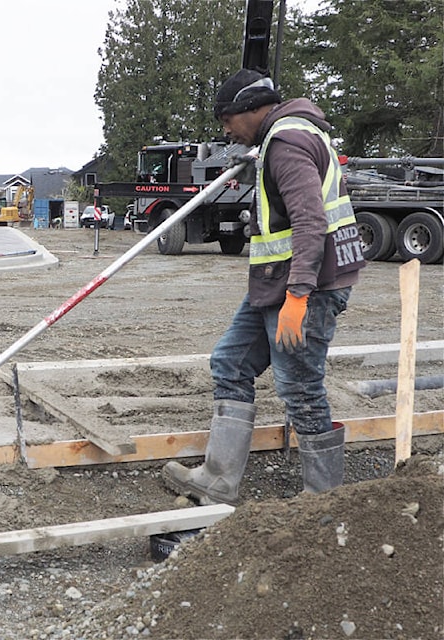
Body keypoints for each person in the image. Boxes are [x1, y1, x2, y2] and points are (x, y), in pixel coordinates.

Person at [161, 69, 365, 505]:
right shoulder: (282, 138)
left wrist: (298, 296)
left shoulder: (287, 145)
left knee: (300, 387)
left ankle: (323, 500)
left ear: (253, 109)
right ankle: (218, 479)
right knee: (231, 361)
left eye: (228, 120)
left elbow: (311, 221)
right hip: (277, 282)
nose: (227, 131)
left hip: (306, 286)